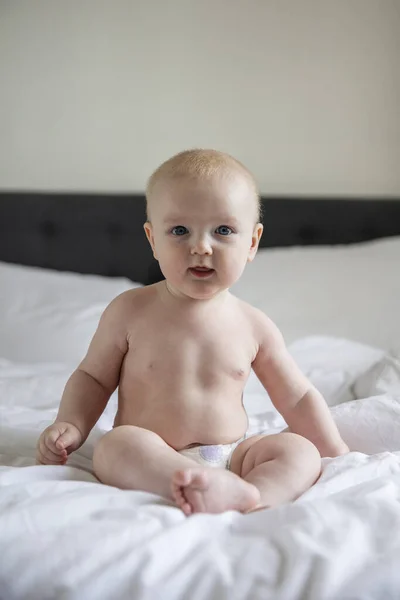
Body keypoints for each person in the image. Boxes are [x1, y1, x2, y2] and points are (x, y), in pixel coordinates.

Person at [36, 149, 349, 515]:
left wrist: (335, 450)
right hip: (154, 453)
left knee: (299, 451)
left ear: (251, 243)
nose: (201, 247)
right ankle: (188, 482)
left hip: (235, 456)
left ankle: (254, 496)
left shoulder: (254, 325)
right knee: (115, 447)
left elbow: (296, 397)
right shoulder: (129, 311)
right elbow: (92, 377)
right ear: (153, 240)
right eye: (180, 231)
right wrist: (71, 424)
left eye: (223, 231)